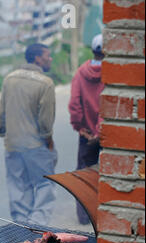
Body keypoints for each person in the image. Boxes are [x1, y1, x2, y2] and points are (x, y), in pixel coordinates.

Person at [0, 43, 57, 226]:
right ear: (37, 58)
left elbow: (2, 114)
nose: (50, 58)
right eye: (48, 55)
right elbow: (45, 122)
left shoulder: (9, 79)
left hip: (13, 145)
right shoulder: (45, 83)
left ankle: (21, 227)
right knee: (45, 185)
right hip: (36, 146)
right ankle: (37, 227)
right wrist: (49, 141)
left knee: (18, 187)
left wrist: (3, 132)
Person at [68, 34, 105, 225]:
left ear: (93, 51)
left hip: (86, 135)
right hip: (107, 133)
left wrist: (80, 128)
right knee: (108, 174)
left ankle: (84, 217)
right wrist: (100, 132)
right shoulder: (112, 73)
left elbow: (74, 104)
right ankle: (106, 217)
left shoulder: (81, 72)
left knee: (83, 173)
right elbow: (109, 102)